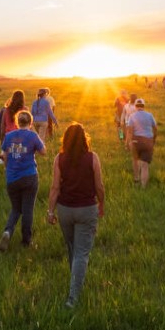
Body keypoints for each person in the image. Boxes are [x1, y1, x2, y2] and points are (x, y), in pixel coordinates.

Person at [45, 122, 105, 309]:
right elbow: (99, 186)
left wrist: (50, 211)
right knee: (81, 253)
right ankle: (73, 297)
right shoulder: (92, 158)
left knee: (72, 248)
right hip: (87, 209)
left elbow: (55, 187)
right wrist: (101, 203)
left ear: (66, 139)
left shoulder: (59, 158)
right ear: (84, 139)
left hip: (65, 210)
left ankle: (75, 281)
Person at [0, 110, 46, 250]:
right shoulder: (32, 135)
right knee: (27, 209)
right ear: (30, 122)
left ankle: (8, 231)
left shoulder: (9, 136)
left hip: (12, 178)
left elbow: (4, 156)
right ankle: (26, 240)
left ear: (17, 122)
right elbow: (43, 152)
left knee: (16, 208)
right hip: (29, 176)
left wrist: (9, 168)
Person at [125, 97, 158, 189]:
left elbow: (130, 131)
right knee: (144, 166)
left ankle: (136, 180)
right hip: (148, 141)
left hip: (136, 141)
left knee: (135, 160)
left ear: (135, 106)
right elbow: (155, 129)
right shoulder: (150, 115)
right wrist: (153, 139)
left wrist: (127, 143)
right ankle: (143, 187)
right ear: (144, 106)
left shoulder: (132, 116)